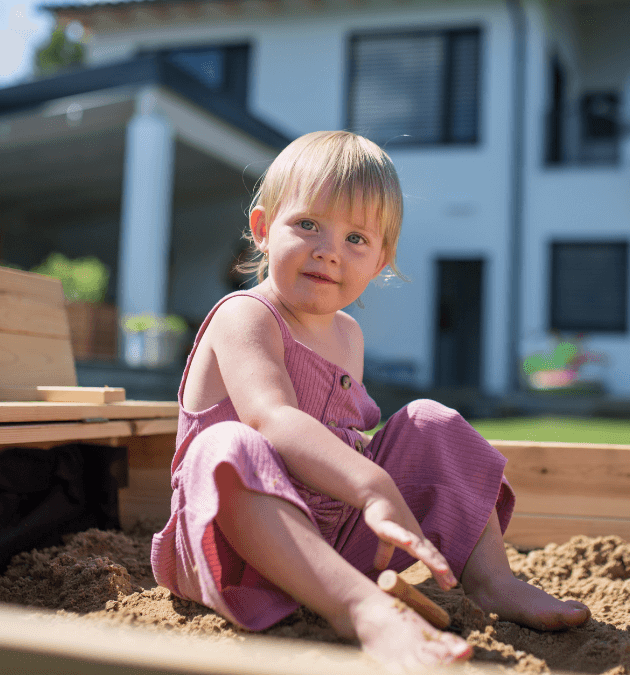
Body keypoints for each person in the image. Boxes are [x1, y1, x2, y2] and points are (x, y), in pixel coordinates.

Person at [151, 130, 590, 671]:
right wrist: (373, 485)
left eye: (356, 238)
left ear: (381, 259)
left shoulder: (349, 336)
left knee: (432, 421)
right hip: (235, 544)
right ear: (264, 229)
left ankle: (494, 582)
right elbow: (273, 420)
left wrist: (373, 485)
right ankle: (358, 608)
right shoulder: (245, 316)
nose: (328, 250)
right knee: (228, 444)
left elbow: (342, 439)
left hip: (332, 541)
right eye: (308, 224)